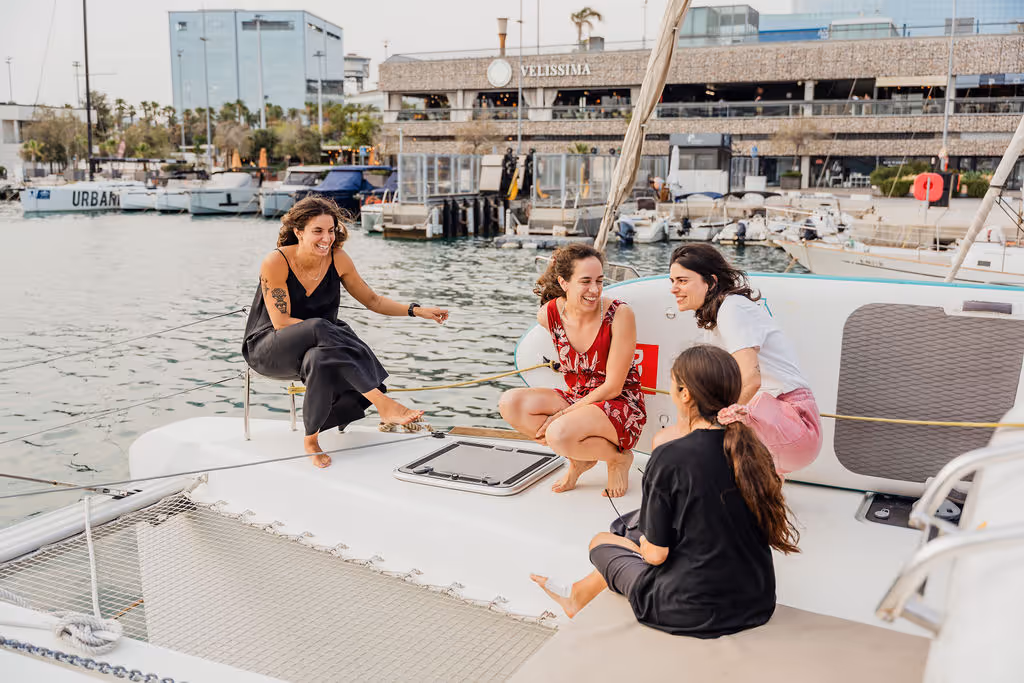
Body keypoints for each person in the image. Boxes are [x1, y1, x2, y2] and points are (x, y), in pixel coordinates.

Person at [531, 345, 800, 637]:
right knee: (629, 525)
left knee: (603, 542)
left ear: (685, 394)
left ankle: (578, 596)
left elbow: (656, 556)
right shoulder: (753, 450)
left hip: (685, 608)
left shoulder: (670, 456)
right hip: (756, 602)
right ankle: (579, 595)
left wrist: (643, 546)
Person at [242, 196, 449, 468]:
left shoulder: (337, 259)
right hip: (269, 347)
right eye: (318, 231)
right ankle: (382, 402)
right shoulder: (276, 261)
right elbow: (280, 322)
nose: (326, 238)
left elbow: (373, 301)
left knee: (319, 356)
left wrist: (416, 310)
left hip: (320, 346)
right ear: (298, 232)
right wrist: (323, 330)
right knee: (321, 326)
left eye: (331, 230)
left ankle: (311, 439)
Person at [499, 244, 646, 498]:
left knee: (559, 432)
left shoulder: (619, 314)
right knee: (510, 403)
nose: (595, 289)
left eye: (600, 281)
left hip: (620, 404)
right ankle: (580, 458)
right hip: (579, 397)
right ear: (564, 283)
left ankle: (617, 458)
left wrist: (562, 416)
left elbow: (613, 387)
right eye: (585, 281)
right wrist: (565, 413)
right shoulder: (549, 314)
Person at [660, 243, 821, 475]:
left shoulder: (731, 309)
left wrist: (715, 422)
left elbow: (751, 379)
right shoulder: (718, 314)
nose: (674, 289)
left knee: (702, 419)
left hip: (796, 423)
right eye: (672, 281)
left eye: (682, 281)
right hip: (780, 422)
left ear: (712, 282)